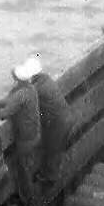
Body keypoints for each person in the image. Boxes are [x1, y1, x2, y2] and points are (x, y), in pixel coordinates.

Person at [0, 63, 42, 206]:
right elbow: (10, 102)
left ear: (17, 79)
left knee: (23, 170)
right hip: (35, 134)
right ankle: (27, 195)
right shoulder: (30, 89)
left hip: (25, 140)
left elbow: (5, 112)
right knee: (27, 167)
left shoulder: (20, 94)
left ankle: (28, 200)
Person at [23, 56, 73, 184]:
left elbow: (26, 102)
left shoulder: (37, 88)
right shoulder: (46, 79)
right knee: (57, 148)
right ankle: (54, 171)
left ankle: (51, 177)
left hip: (59, 123)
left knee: (53, 149)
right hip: (66, 118)